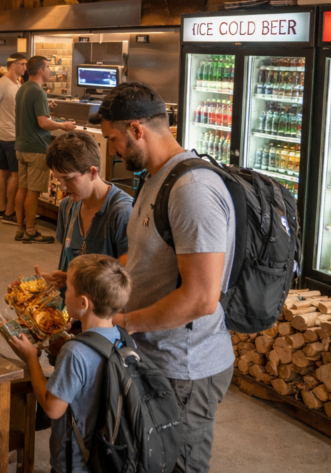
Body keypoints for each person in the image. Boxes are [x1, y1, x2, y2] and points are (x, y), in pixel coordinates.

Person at [92, 81, 235, 473]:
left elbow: (201, 298)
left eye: (114, 139)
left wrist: (125, 323)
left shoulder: (192, 190)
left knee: (177, 465)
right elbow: (144, 257)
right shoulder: (158, 177)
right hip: (156, 357)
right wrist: (88, 276)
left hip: (185, 369)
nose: (112, 149)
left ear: (138, 130)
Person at [6, 254, 133, 473]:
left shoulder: (74, 352)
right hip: (110, 453)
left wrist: (31, 359)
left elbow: (52, 409)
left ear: (83, 302)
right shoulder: (125, 338)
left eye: (68, 290)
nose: (63, 295)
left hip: (75, 461)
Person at [47, 131, 132, 272]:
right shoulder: (67, 206)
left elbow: (126, 279)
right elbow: (67, 265)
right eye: (58, 180)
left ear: (92, 172)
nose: (62, 187)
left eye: (68, 179)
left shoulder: (123, 212)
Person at [14, 55, 74, 243]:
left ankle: (20, 228)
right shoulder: (39, 92)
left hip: (22, 146)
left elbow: (29, 113)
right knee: (33, 191)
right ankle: (31, 231)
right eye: (48, 67)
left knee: (22, 188)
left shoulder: (23, 88)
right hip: (36, 148)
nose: (50, 70)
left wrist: (46, 107)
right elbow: (42, 123)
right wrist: (63, 126)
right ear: (40, 71)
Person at [0, 53, 26, 225]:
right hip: (9, 136)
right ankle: (10, 212)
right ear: (13, 65)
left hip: (4, 134)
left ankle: (2, 209)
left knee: (4, 172)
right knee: (15, 175)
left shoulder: (16, 83)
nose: (25, 67)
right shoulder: (2, 83)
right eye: (22, 64)